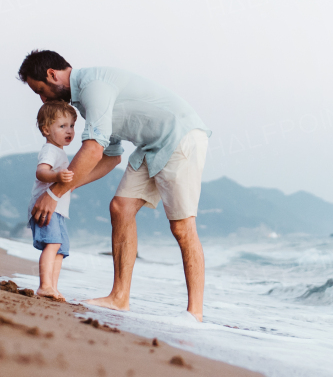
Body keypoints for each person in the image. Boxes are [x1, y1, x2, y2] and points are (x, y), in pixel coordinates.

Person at [19, 50, 211, 321]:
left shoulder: (93, 87)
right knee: (120, 208)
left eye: (41, 90)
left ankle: (195, 314)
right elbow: (112, 156)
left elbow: (94, 149)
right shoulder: (85, 102)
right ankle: (119, 298)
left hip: (180, 137)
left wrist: (54, 193)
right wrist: (68, 187)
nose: (43, 99)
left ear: (52, 75)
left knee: (182, 226)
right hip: (151, 145)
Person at [28, 101, 77, 301]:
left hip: (58, 211)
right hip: (46, 208)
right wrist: (56, 176)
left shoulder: (60, 151)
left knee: (60, 249)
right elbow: (41, 172)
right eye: (62, 126)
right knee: (53, 243)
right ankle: (44, 285)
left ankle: (53, 287)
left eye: (72, 125)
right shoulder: (50, 150)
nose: (69, 131)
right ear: (46, 129)